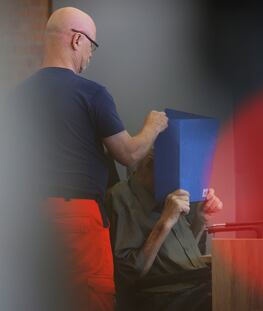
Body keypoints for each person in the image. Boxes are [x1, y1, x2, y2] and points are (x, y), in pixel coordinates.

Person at [13, 6, 168, 311]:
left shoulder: (16, 96)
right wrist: (153, 127)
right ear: (76, 40)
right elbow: (129, 154)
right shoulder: (91, 93)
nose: (91, 55)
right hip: (78, 220)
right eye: (92, 46)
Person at [106, 151, 223, 311]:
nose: (181, 184)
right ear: (150, 165)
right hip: (166, 295)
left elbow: (181, 255)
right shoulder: (121, 196)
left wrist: (200, 217)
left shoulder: (168, 193)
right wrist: (165, 221)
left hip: (197, 284)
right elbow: (129, 274)